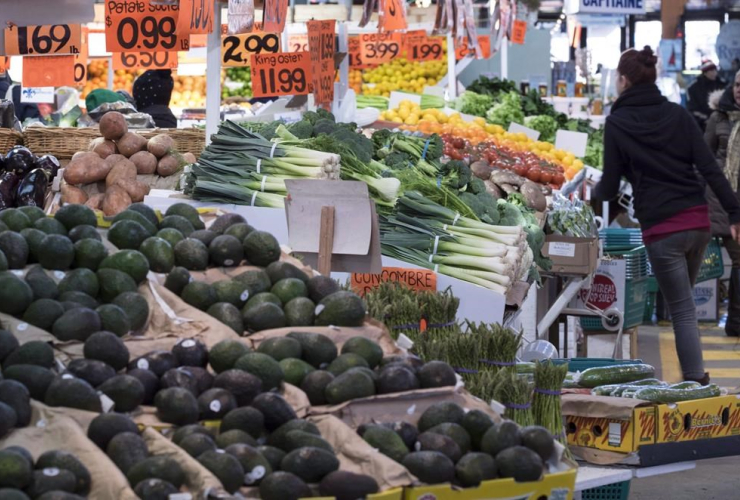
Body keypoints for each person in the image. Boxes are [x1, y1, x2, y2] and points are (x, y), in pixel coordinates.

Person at [593, 47, 740, 385]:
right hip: (698, 223)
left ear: (624, 80)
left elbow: (610, 183)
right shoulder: (677, 114)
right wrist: (734, 212)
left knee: (683, 310)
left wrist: (593, 196)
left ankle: (695, 381)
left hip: (663, 229)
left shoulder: (617, 123)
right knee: (682, 304)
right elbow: (709, 168)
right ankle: (692, 378)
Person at [705, 72, 740, 337]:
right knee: (738, 258)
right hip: (723, 198)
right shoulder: (718, 117)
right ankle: (735, 321)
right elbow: (704, 158)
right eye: (738, 85)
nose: (739, 90)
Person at [687, 60, 725, 130]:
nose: (715, 73)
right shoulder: (694, 88)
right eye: (712, 71)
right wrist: (705, 119)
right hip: (702, 125)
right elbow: (692, 108)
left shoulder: (722, 85)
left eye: (715, 70)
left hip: (721, 123)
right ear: (705, 73)